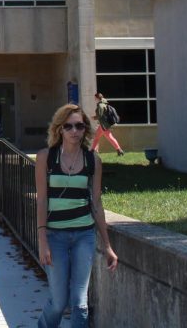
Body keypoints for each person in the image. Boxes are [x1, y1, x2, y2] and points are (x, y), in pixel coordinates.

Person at [35, 104, 118, 328]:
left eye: (79, 126)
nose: (75, 131)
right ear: (60, 129)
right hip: (55, 237)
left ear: (85, 129)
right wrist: (43, 241)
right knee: (59, 302)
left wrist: (108, 246)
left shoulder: (93, 161)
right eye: (69, 126)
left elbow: (97, 203)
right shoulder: (46, 158)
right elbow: (42, 200)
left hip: (84, 235)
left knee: (80, 302)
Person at [91, 92, 124, 156]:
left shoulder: (100, 105)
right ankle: (92, 151)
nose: (94, 99)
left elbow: (99, 115)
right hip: (102, 124)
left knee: (110, 137)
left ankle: (119, 150)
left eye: (95, 98)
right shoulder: (104, 103)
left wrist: (93, 117)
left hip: (104, 125)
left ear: (97, 98)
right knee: (96, 137)